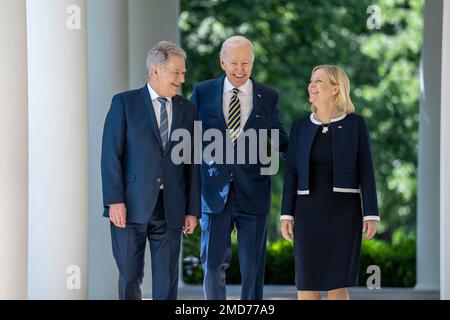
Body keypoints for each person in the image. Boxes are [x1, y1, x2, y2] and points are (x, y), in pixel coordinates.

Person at [190, 35, 289, 300]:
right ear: (222, 62)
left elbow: (279, 137)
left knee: (252, 267)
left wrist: (308, 156)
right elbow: (185, 136)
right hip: (213, 193)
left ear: (252, 63)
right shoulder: (203, 91)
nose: (239, 69)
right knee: (211, 265)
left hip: (253, 193)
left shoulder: (268, 97)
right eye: (234, 63)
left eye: (246, 63)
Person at [101, 41, 200, 300]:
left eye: (183, 73)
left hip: (171, 207)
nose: (182, 78)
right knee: (130, 277)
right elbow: (111, 155)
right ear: (155, 71)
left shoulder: (188, 110)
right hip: (130, 207)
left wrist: (192, 209)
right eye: (176, 72)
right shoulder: (124, 103)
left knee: (167, 282)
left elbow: (192, 163)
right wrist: (115, 201)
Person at [280, 65, 379, 300]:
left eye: (319, 82)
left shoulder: (356, 125)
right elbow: (292, 172)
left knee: (338, 286)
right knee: (306, 284)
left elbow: (367, 170)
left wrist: (371, 214)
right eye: (311, 81)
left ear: (336, 89)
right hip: (307, 213)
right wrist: (286, 214)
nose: (311, 86)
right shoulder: (300, 126)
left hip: (344, 213)